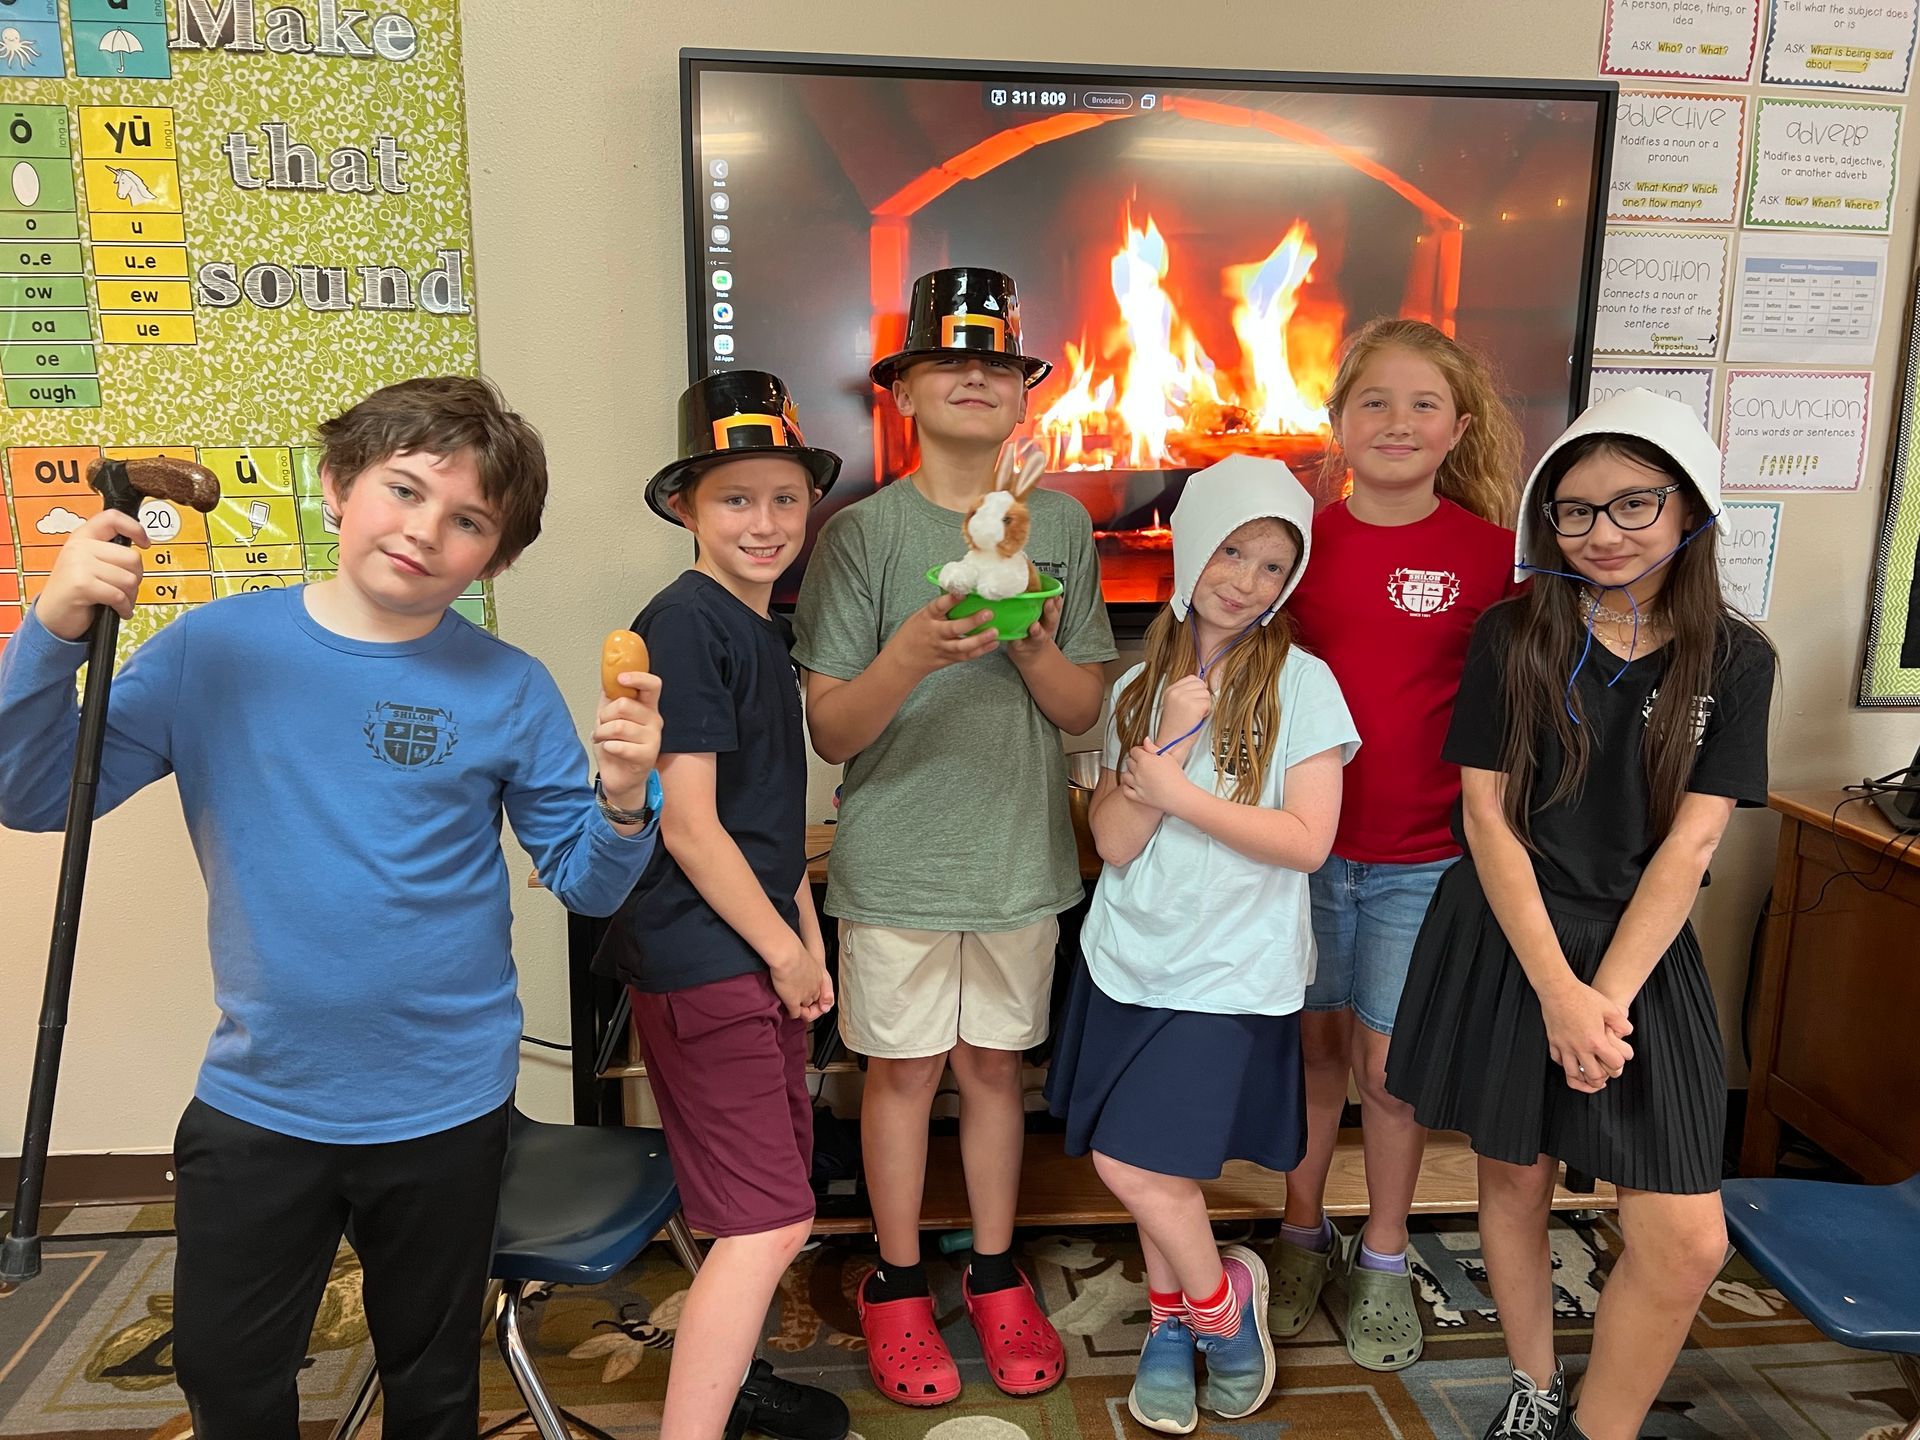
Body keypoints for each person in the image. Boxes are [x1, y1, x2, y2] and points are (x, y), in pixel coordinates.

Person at [0, 376, 664, 1440]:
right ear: (337, 484)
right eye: (403, 489)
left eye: (467, 521)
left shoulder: (507, 685)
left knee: (433, 1382)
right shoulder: (215, 651)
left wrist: (626, 803)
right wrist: (51, 624)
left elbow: (584, 881)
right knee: (225, 1372)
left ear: (492, 557)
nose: (423, 531)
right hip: (265, 1093)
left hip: (447, 1103)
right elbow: (29, 792)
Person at [1385, 389, 1775, 1440]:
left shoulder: (1738, 660)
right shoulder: (1514, 634)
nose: (1602, 534)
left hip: (1641, 956)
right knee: (1515, 1175)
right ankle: (1531, 1383)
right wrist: (1557, 990)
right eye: (1575, 511)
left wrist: (1600, 1001)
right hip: (1511, 936)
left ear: (1690, 508)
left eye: (1632, 506)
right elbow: (1486, 813)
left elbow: (1693, 844)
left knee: (1687, 1238)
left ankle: (1598, 1428)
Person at [793, 266, 1116, 1405]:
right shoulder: (860, 537)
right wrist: (913, 654)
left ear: (1024, 395)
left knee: (993, 1070)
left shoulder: (1063, 522)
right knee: (900, 1073)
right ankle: (892, 1279)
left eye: (997, 364)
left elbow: (1084, 713)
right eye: (949, 362)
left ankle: (991, 1266)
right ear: (905, 391)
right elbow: (832, 731)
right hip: (895, 862)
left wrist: (1027, 640)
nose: (975, 378)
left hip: (1020, 855)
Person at [1047, 455, 1359, 1433]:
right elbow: (1112, 840)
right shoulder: (1141, 684)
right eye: (1234, 552)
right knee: (1154, 1162)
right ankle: (1180, 1319)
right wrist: (1171, 741)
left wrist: (1179, 791)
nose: (1249, 581)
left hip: (1230, 974)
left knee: (1137, 1164)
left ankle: (1219, 1311)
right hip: (1128, 960)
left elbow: (1307, 841)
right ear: (1193, 548)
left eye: (1274, 566)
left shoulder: (1304, 685)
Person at [598, 371, 847, 1440]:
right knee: (772, 1219)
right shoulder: (688, 622)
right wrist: (783, 954)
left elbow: (765, 819)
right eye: (736, 498)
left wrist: (805, 936)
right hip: (708, 961)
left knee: (766, 1202)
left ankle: (733, 1387)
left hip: (748, 948)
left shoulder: (757, 627)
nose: (765, 521)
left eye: (784, 498)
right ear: (686, 507)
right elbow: (691, 823)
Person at [1275, 317, 1523, 1368]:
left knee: (1392, 1067)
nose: (1397, 422)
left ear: (1458, 426)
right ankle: (1298, 1230)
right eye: (1373, 401)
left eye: (1425, 404)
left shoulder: (1494, 556)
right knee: (1308, 1049)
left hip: (1423, 858)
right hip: (1295, 850)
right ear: (1337, 423)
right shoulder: (1293, 546)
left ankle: (1382, 1253)